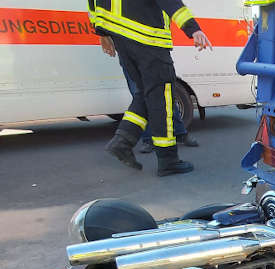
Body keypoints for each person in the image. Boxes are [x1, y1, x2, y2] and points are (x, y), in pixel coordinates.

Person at [89, 0, 212, 176]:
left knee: (144, 94)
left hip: (119, 35)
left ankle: (122, 141)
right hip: (146, 35)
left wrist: (101, 31)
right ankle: (168, 160)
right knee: (161, 98)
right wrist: (193, 29)